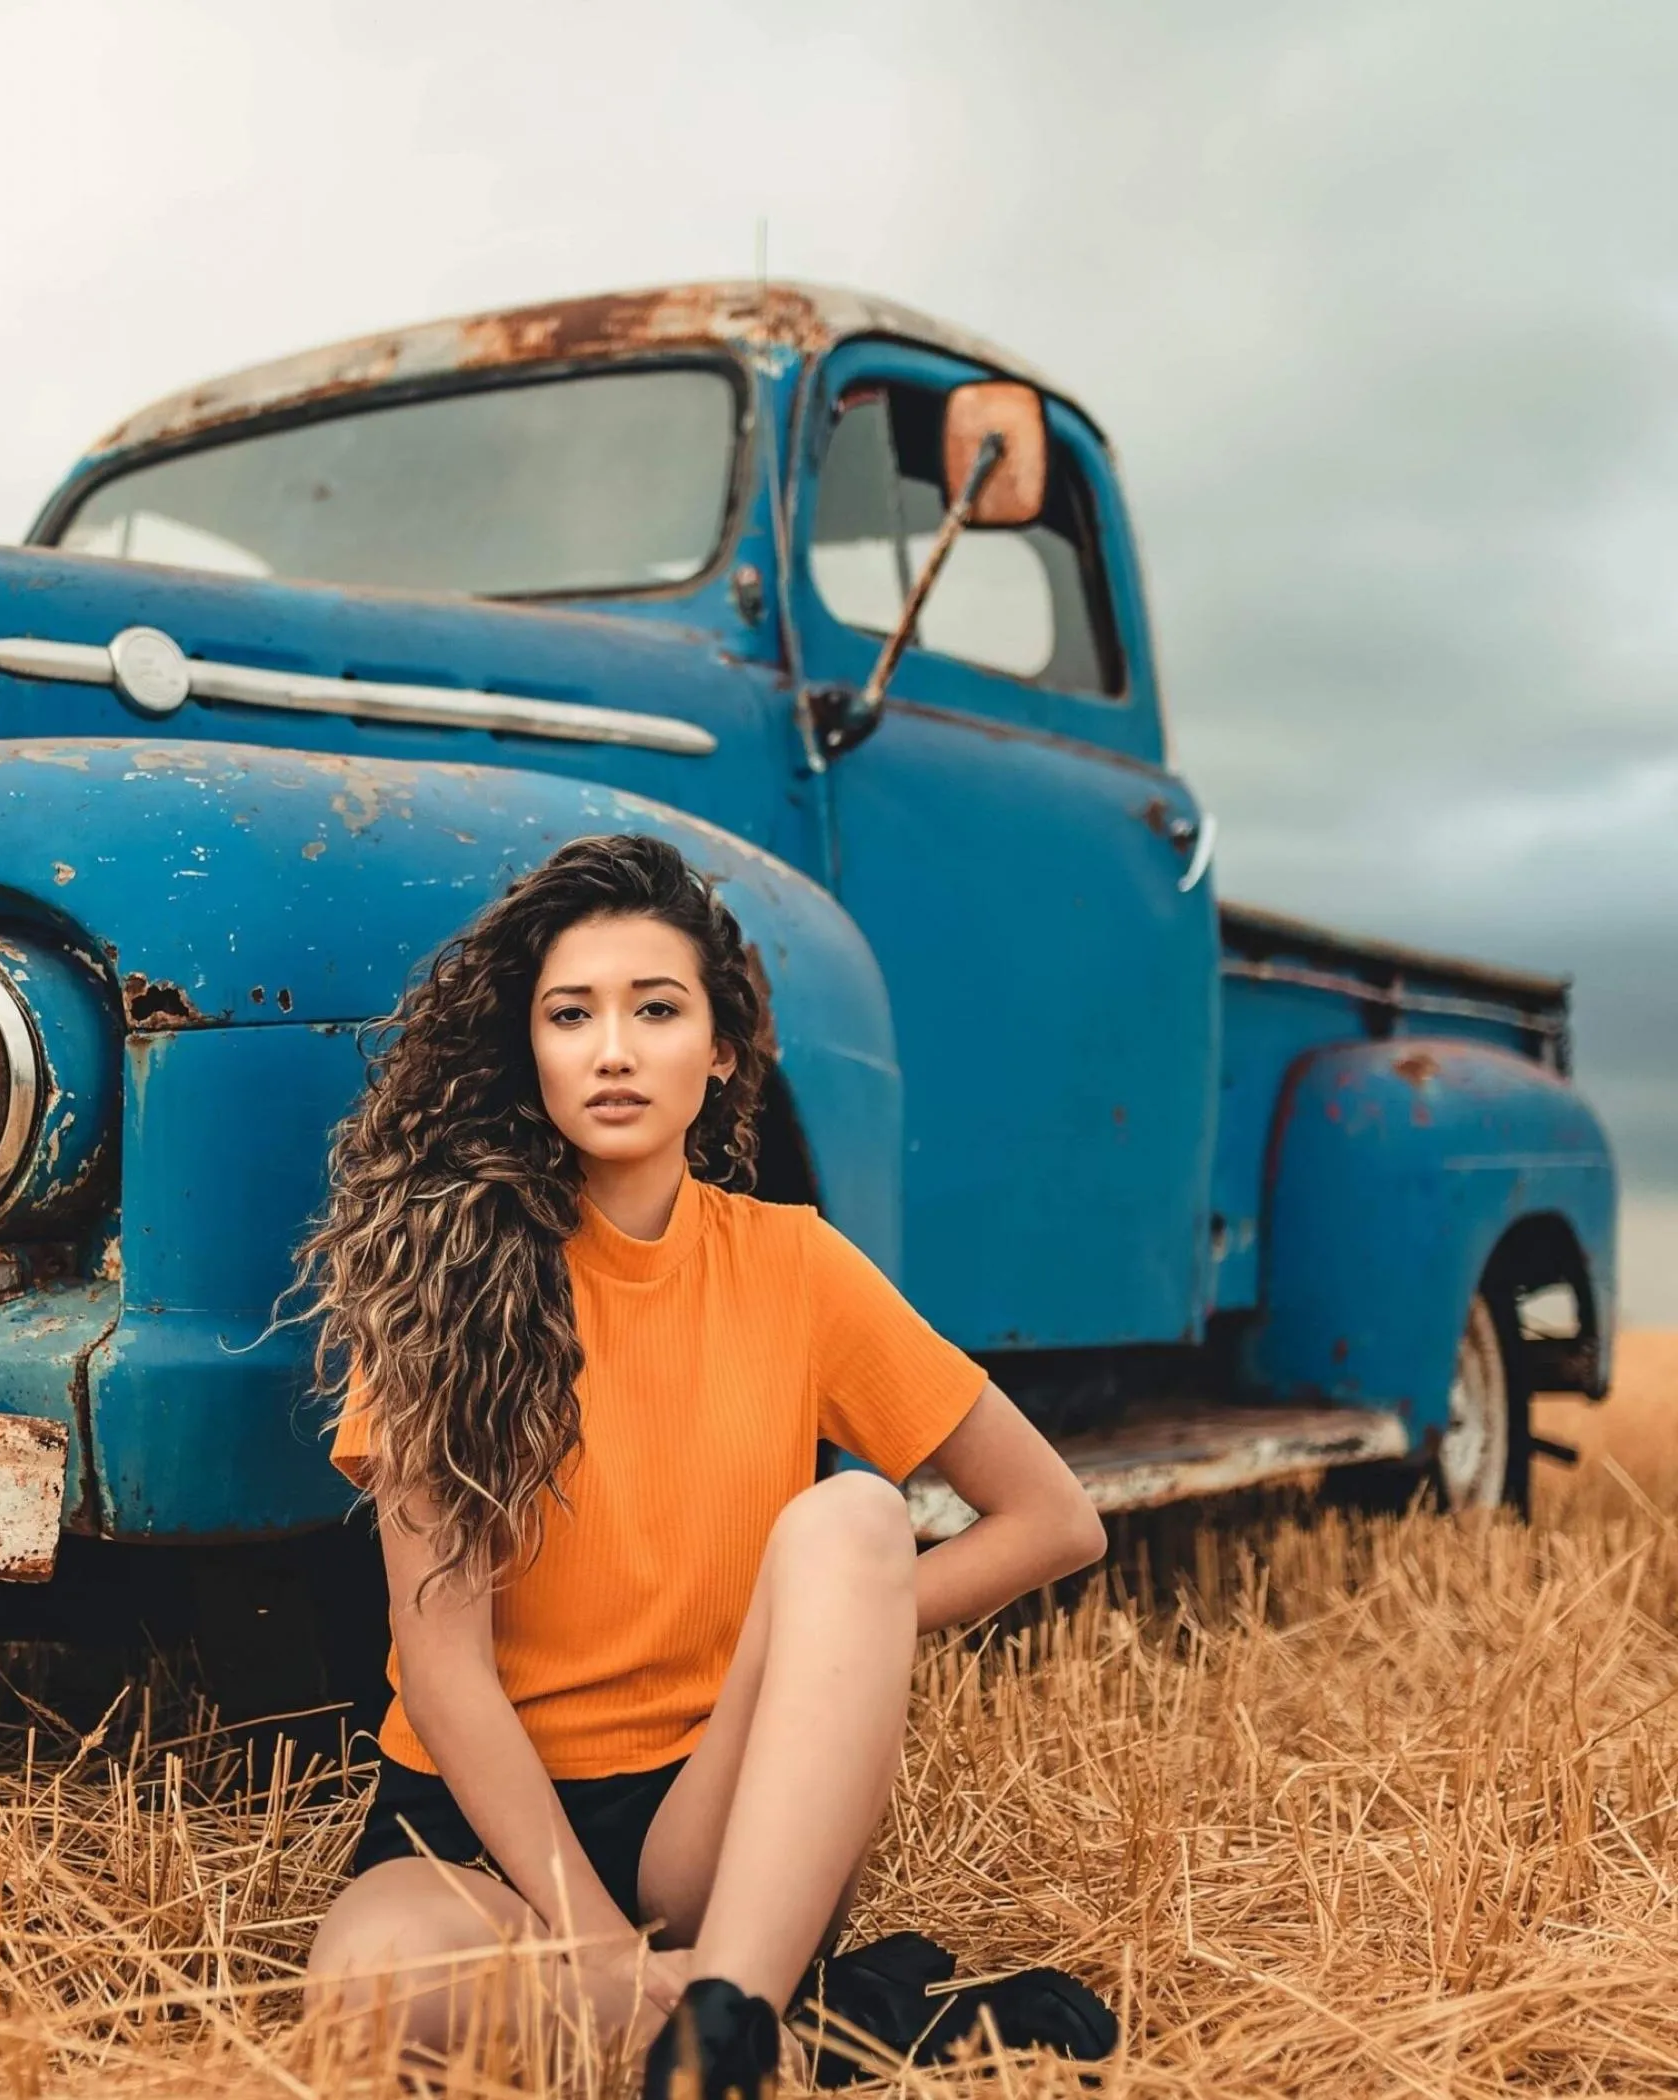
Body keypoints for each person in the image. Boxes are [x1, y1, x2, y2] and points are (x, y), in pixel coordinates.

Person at [296, 833, 1110, 2098]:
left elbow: (1053, 1519)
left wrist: (823, 1640)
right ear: (531, 1052)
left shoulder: (795, 1264)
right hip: (478, 1839)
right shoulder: (435, 1288)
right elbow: (444, 1669)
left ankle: (725, 2010)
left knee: (849, 1519)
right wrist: (608, 1950)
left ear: (721, 1049)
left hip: (718, 1822)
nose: (612, 1049)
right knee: (373, 1993)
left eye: (656, 1009)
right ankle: (799, 2029)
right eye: (571, 1015)